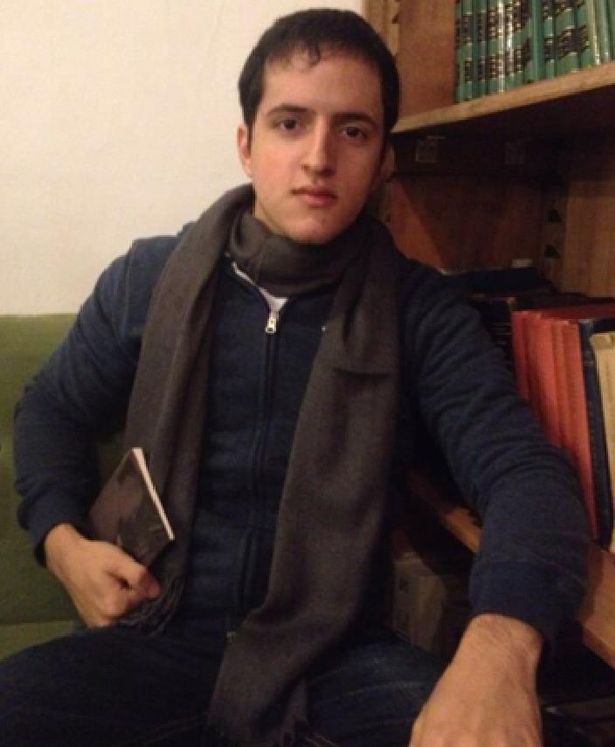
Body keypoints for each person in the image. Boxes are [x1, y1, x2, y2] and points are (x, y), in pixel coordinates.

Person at [0, 8, 589, 747]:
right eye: (289, 123)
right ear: (246, 146)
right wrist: (63, 543)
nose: (318, 157)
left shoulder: (419, 310)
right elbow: (50, 408)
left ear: (383, 160)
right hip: (153, 631)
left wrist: (500, 646)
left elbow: (521, 471)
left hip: (333, 659)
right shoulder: (149, 278)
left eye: (352, 131)